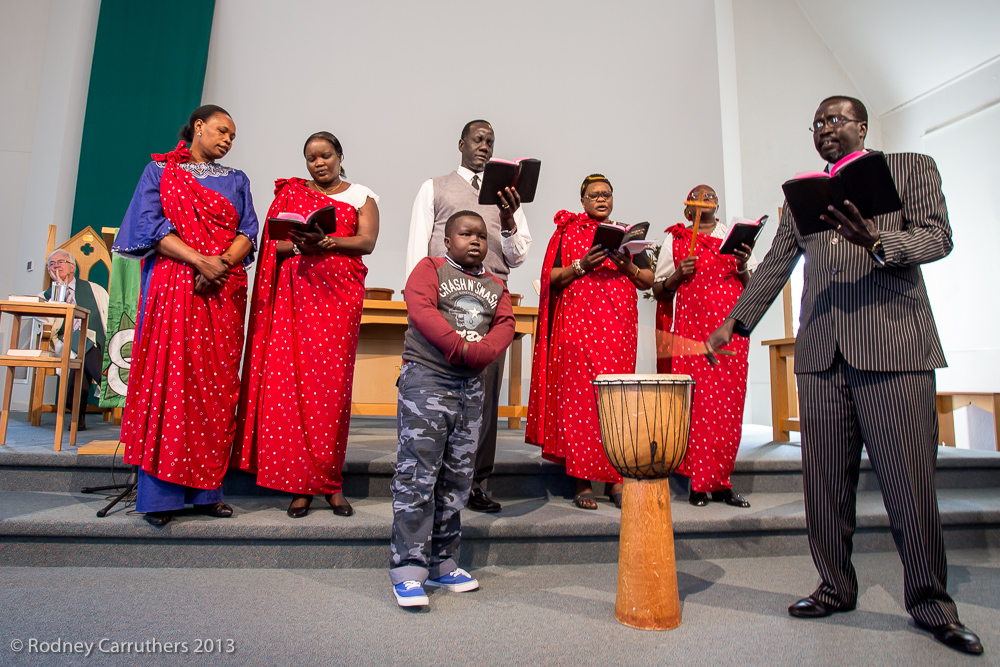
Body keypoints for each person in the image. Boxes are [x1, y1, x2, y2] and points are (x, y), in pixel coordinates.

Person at [706, 96, 982, 655]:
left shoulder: (910, 168)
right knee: (825, 482)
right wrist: (733, 324)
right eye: (817, 123)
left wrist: (878, 243)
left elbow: (938, 236)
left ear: (861, 125)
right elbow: (778, 262)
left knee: (908, 484)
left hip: (894, 353)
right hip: (822, 355)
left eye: (836, 119)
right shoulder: (803, 197)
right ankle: (834, 586)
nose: (825, 128)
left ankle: (932, 604)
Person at [114, 104, 258, 527]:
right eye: (221, 130)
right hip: (174, 284)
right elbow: (149, 228)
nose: (228, 140)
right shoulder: (159, 171)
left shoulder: (237, 181)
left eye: (232, 135)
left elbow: (248, 232)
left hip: (221, 294)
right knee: (170, 382)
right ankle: (160, 497)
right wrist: (200, 261)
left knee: (213, 388)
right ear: (198, 126)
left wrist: (221, 266)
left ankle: (206, 492)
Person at [234, 132, 379, 518]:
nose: (319, 163)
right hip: (297, 299)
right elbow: (272, 248)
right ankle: (299, 486)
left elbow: (366, 242)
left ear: (339, 156)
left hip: (338, 299)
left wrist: (326, 242)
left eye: (326, 155)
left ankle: (330, 483)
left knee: (329, 394)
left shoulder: (362, 195)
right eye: (312, 158)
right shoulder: (291, 196)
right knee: (292, 390)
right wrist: (303, 244)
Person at [405, 119, 532, 513]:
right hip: (443, 301)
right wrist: (418, 309)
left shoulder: (507, 197)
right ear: (460, 143)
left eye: (490, 141)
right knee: (436, 391)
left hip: (489, 304)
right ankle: (432, 477)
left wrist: (509, 219)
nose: (484, 146)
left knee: (484, 399)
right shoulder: (434, 187)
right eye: (477, 139)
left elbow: (518, 254)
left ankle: (476, 480)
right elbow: (417, 249)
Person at [390, 211, 515, 608]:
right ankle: (409, 567)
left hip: (470, 387)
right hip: (428, 380)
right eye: (465, 233)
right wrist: (458, 348)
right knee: (418, 474)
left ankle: (442, 561)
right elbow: (421, 310)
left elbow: (505, 324)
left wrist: (483, 353)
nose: (475, 240)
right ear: (447, 241)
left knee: (457, 477)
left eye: (481, 235)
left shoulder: (496, 284)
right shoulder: (431, 268)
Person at [526, 174, 654, 510]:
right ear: (582, 200)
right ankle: (582, 480)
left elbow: (648, 280)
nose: (601, 199)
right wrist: (582, 265)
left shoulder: (627, 232)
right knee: (581, 397)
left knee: (616, 399)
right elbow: (550, 278)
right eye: (594, 194)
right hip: (579, 324)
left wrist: (626, 263)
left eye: (607, 194)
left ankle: (615, 479)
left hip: (619, 326)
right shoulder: (567, 231)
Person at [652, 185, 756, 508]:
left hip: (730, 331)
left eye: (710, 196)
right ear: (688, 209)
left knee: (728, 408)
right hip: (694, 332)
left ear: (718, 205)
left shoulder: (733, 237)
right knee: (698, 408)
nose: (705, 200)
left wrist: (742, 266)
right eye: (698, 196)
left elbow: (754, 288)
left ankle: (722, 481)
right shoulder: (678, 239)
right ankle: (699, 482)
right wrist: (677, 276)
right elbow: (659, 290)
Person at [36, 249, 109, 431]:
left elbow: (110, 317)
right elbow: (45, 322)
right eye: (51, 264)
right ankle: (109, 384)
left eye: (60, 262)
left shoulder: (95, 290)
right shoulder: (44, 296)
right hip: (65, 343)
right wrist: (59, 291)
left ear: (72, 267)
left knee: (83, 349)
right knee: (81, 346)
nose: (55, 266)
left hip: (98, 343)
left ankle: (77, 415)